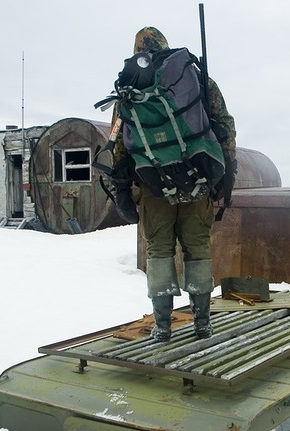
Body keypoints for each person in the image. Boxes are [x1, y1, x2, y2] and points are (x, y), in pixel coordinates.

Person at [116, 27, 237, 342]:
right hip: (196, 180)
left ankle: (163, 327)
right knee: (197, 248)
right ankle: (202, 324)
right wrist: (226, 171)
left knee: (159, 251)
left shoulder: (129, 90)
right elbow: (224, 124)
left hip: (153, 185)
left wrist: (121, 191)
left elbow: (119, 143)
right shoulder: (196, 79)